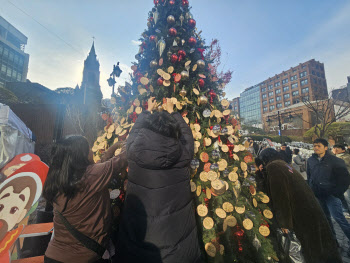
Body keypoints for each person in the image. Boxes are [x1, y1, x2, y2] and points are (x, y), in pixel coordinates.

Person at [116, 97, 201, 263]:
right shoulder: (182, 154)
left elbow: (133, 134)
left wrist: (147, 110)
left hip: (136, 249)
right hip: (177, 252)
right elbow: (187, 138)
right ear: (172, 132)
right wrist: (173, 112)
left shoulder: (132, 152)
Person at [43, 135, 127, 263]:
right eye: (89, 149)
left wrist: (114, 146)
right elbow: (121, 160)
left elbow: (103, 164)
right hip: (83, 258)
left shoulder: (59, 179)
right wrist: (127, 145)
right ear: (81, 154)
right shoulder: (91, 175)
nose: (92, 151)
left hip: (53, 256)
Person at [256, 148, 341, 263]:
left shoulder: (273, 167)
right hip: (309, 207)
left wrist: (284, 223)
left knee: (310, 247)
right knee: (321, 245)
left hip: (300, 212)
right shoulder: (284, 164)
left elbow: (280, 194)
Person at [307, 138, 350, 255]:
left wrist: (336, 193)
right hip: (318, 194)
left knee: (339, 219)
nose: (316, 147)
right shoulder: (310, 160)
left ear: (326, 147)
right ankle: (333, 241)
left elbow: (345, 179)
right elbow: (309, 176)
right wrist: (310, 190)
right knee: (325, 219)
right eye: (314, 145)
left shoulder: (335, 161)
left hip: (331, 195)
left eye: (319, 146)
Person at [333, 144, 350, 217]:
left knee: (347, 196)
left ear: (343, 150)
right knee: (341, 197)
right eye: (334, 148)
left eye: (338, 148)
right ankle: (345, 210)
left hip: (346, 180)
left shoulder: (347, 157)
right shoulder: (333, 158)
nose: (335, 149)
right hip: (337, 181)